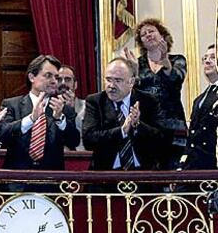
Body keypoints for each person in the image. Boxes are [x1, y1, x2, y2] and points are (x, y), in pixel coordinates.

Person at [0, 55, 80, 178]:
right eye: (48, 75)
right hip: (16, 181)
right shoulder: (11, 104)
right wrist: (31, 119)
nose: (54, 81)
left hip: (51, 182)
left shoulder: (62, 108)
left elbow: (74, 141)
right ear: (32, 77)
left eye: (55, 77)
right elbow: (3, 135)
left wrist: (60, 120)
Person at [124, 18, 187, 169]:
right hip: (146, 126)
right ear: (141, 43)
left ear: (162, 35)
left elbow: (176, 80)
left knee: (173, 172)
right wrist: (134, 72)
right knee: (148, 170)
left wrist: (165, 62)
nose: (148, 35)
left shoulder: (177, 59)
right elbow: (132, 94)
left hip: (173, 126)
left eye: (151, 31)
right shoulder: (138, 63)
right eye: (143, 34)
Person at [82, 57, 165, 172]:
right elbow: (89, 139)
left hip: (142, 174)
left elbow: (161, 139)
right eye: (108, 79)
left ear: (131, 82)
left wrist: (138, 125)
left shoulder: (148, 101)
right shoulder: (95, 102)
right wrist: (122, 131)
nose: (111, 85)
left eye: (118, 80)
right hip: (105, 175)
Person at [181, 44, 218, 170]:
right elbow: (192, 135)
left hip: (213, 164)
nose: (207, 61)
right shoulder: (199, 99)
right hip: (194, 164)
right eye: (205, 58)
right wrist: (182, 165)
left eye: (213, 57)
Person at [57, 65, 85, 150]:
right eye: (59, 80)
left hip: (80, 157)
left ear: (75, 84)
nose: (63, 83)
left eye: (67, 80)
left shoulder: (87, 107)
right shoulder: (47, 108)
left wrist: (70, 110)